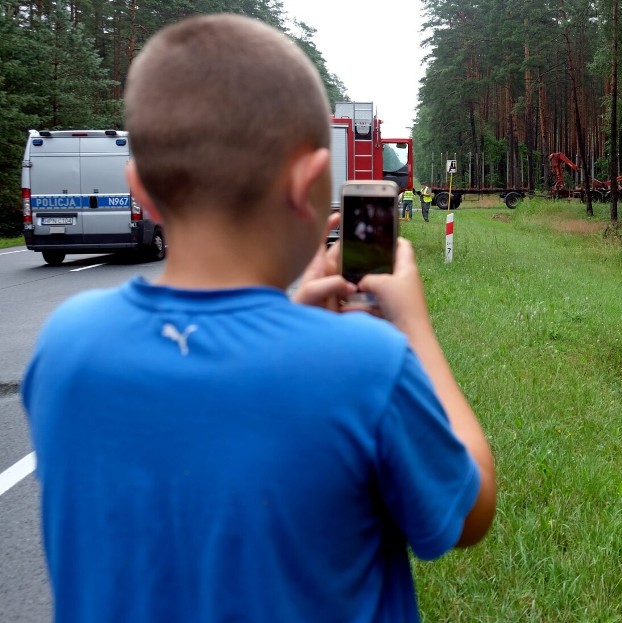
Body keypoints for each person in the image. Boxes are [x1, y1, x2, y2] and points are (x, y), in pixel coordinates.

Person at [21, 14, 496, 623]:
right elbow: (468, 511)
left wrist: (288, 317)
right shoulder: (364, 368)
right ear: (307, 185)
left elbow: (212, 399)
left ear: (139, 190)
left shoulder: (67, 344)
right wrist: (413, 329)